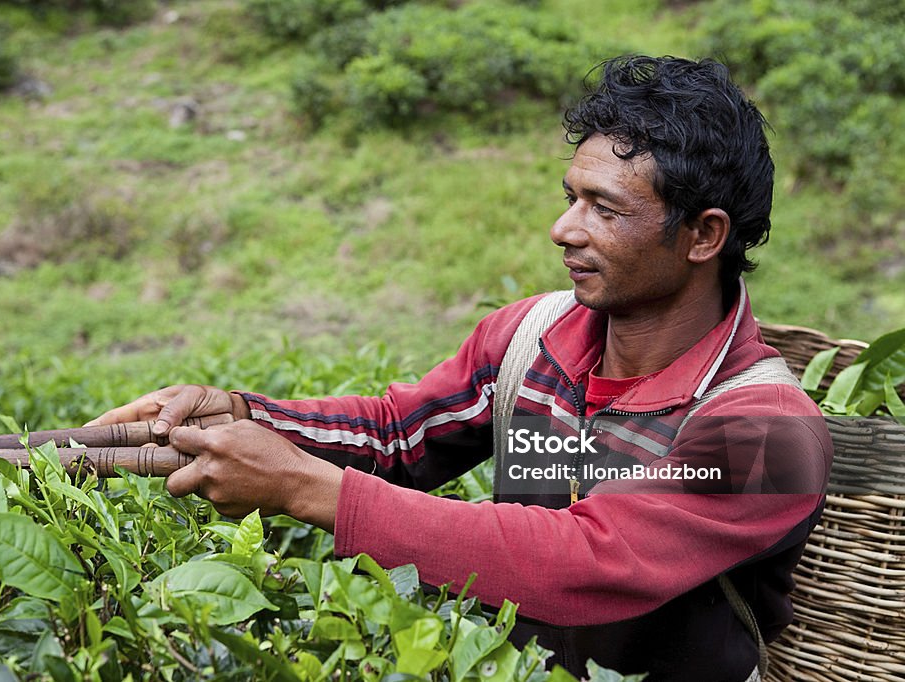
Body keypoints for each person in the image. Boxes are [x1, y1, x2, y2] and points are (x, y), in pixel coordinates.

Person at [88, 55, 833, 681]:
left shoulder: (767, 433)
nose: (563, 229)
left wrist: (307, 488)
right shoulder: (533, 337)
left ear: (704, 236)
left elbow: (589, 561)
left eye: (603, 209)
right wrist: (243, 417)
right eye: (570, 198)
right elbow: (397, 438)